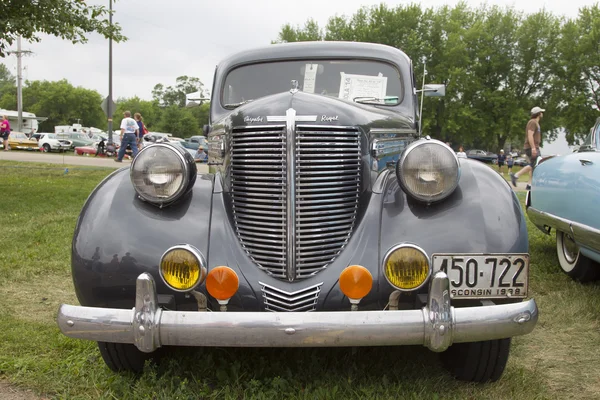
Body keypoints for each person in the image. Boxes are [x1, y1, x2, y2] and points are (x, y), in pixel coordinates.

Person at [511, 106, 544, 190]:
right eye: (541, 112)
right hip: (531, 147)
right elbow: (530, 135)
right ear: (538, 114)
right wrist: (533, 148)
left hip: (535, 147)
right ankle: (516, 175)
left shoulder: (536, 123)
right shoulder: (532, 122)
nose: (542, 113)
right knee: (535, 165)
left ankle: (529, 185)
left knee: (535, 166)